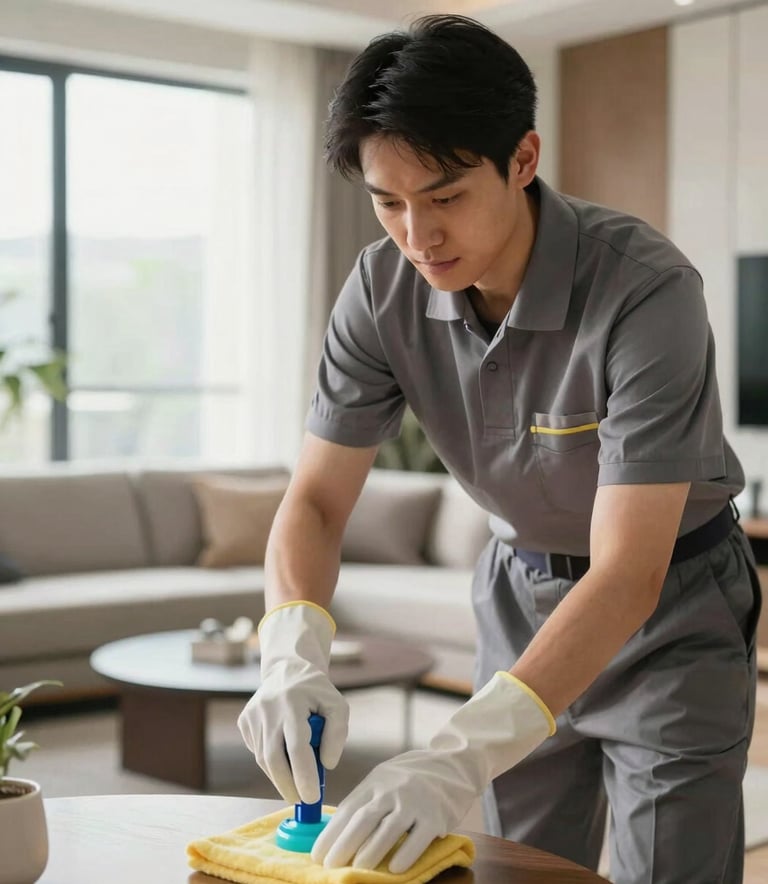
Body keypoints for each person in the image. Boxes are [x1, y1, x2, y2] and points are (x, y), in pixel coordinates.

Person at [237, 14, 761, 884]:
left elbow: (628, 571)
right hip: (520, 596)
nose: (418, 235)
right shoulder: (379, 289)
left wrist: (455, 754)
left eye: (444, 196)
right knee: (522, 868)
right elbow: (319, 502)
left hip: (671, 608)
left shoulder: (646, 291)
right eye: (388, 202)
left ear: (522, 159)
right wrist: (290, 648)